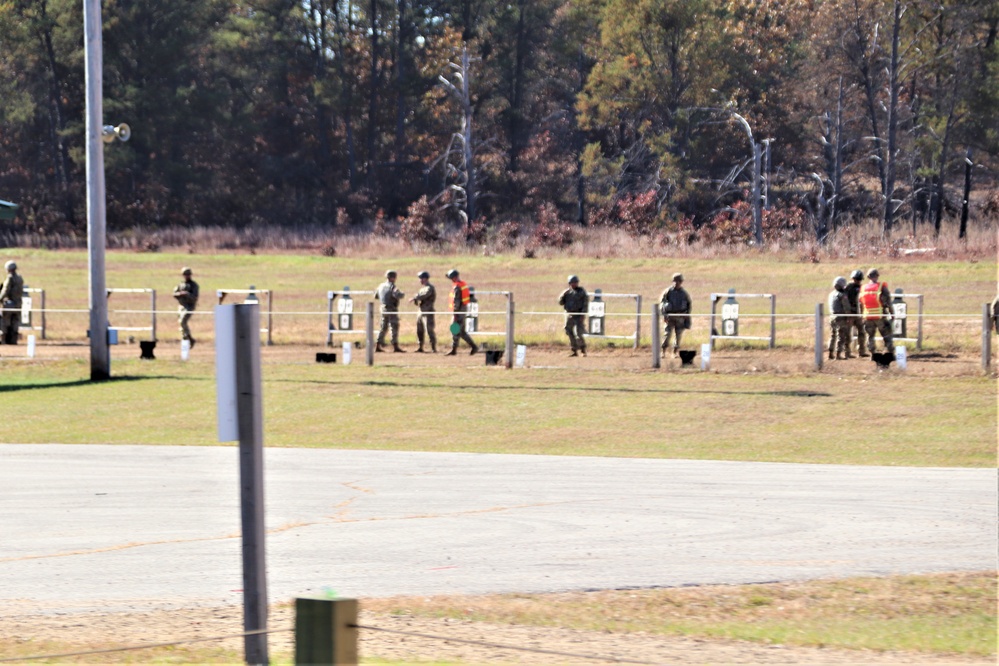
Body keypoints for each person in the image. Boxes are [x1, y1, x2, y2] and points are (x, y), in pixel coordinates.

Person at [859, 267, 894, 355]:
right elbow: (888, 301)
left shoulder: (863, 288)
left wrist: (862, 315)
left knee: (870, 336)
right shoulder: (881, 287)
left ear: (868, 277)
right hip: (880, 316)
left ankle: (872, 353)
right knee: (886, 334)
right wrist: (892, 313)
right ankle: (888, 352)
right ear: (877, 276)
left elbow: (861, 303)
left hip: (867, 316)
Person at [444, 268, 478, 355]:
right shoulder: (462, 284)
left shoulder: (457, 287)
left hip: (458, 312)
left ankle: (454, 350)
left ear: (454, 277)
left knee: (454, 329)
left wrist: (455, 314)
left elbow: (456, 302)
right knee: (462, 332)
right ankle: (474, 347)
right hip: (462, 311)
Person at [658, 273, 691, 358]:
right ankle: (663, 351)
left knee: (678, 335)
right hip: (670, 317)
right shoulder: (668, 292)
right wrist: (664, 315)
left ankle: (674, 352)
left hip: (680, 317)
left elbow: (688, 305)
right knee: (667, 334)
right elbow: (661, 304)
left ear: (681, 282)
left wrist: (686, 316)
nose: (677, 283)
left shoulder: (684, 293)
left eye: (679, 281)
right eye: (675, 281)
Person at [375, 270, 405, 352]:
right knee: (394, 326)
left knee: (383, 327)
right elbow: (397, 295)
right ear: (393, 278)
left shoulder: (380, 286)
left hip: (383, 308)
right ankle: (395, 346)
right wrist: (402, 294)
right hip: (391, 308)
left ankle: (377, 345)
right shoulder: (392, 287)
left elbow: (376, 296)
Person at [558, 275, 588, 357]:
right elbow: (560, 302)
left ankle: (583, 350)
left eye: (575, 282)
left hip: (578, 314)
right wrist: (563, 295)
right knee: (569, 331)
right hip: (570, 315)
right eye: (572, 283)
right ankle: (574, 350)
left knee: (579, 333)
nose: (574, 284)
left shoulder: (581, 292)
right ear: (569, 283)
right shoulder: (567, 293)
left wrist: (583, 314)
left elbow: (585, 304)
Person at [172, 267, 199, 348]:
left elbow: (195, 297)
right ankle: (186, 338)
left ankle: (189, 338)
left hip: (189, 306)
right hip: (181, 306)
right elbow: (174, 294)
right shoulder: (180, 284)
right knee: (181, 324)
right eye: (185, 274)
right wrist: (180, 294)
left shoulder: (194, 285)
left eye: (188, 274)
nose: (186, 276)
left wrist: (187, 294)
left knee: (182, 321)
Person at [844, 269, 868, 357]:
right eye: (856, 279)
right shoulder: (847, 288)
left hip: (858, 313)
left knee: (861, 332)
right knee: (848, 334)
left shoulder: (862, 288)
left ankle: (861, 351)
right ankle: (847, 352)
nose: (858, 281)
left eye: (859, 279)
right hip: (850, 313)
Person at [411, 270, 437, 353]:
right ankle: (420, 346)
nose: (420, 280)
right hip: (421, 311)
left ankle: (433, 347)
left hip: (428, 312)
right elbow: (419, 299)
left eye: (421, 278)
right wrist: (416, 300)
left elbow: (424, 296)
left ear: (425, 279)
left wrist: (415, 297)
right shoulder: (422, 288)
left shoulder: (429, 288)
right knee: (419, 330)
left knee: (429, 330)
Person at [827, 276, 852, 360]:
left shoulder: (831, 294)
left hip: (832, 316)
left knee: (832, 335)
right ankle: (838, 354)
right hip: (840, 317)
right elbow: (846, 307)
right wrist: (849, 317)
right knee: (841, 336)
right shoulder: (842, 295)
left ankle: (830, 353)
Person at [0, 260, 24, 344]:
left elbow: (5, 290)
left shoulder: (10, 278)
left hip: (10, 304)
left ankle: (3, 340)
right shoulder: (20, 278)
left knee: (4, 321)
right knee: (15, 322)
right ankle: (13, 341)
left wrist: (0, 299)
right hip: (18, 303)